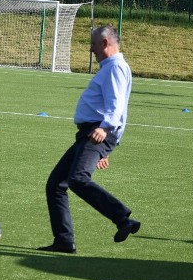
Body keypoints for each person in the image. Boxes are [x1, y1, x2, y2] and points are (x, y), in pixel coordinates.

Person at [38, 25, 139, 254]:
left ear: (104, 43)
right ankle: (64, 240)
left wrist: (105, 131)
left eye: (93, 44)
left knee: (77, 179)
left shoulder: (115, 67)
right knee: (56, 185)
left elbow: (117, 106)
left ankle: (123, 218)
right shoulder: (110, 68)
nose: (91, 49)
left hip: (97, 132)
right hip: (91, 134)